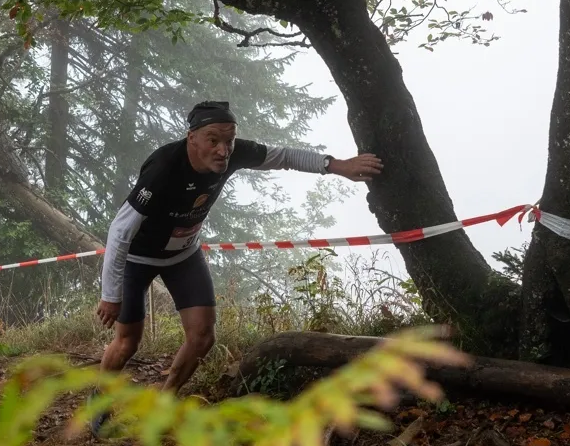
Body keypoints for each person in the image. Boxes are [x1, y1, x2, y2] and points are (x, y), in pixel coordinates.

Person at [95, 100, 382, 394]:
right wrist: (110, 295)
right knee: (128, 341)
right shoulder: (164, 167)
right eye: (213, 140)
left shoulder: (234, 153)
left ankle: (165, 398)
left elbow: (284, 156)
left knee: (203, 337)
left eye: (229, 141)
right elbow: (119, 230)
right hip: (138, 258)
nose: (223, 150)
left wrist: (337, 166)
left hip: (183, 255)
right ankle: (99, 398)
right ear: (191, 137)